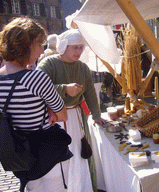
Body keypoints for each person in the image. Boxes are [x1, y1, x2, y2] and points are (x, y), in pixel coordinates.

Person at [0, 17, 72, 192]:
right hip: (47, 154)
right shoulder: (35, 78)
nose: (42, 51)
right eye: (39, 44)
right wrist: (50, 108)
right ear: (25, 45)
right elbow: (63, 115)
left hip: (21, 156)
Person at [36, 29, 107, 192]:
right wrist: (63, 89)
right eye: (75, 47)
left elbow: (89, 92)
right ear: (64, 46)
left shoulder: (82, 67)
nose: (79, 51)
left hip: (75, 117)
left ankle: (81, 188)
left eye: (81, 47)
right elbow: (37, 87)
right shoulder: (49, 64)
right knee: (60, 158)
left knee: (77, 153)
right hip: (54, 119)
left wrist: (96, 115)